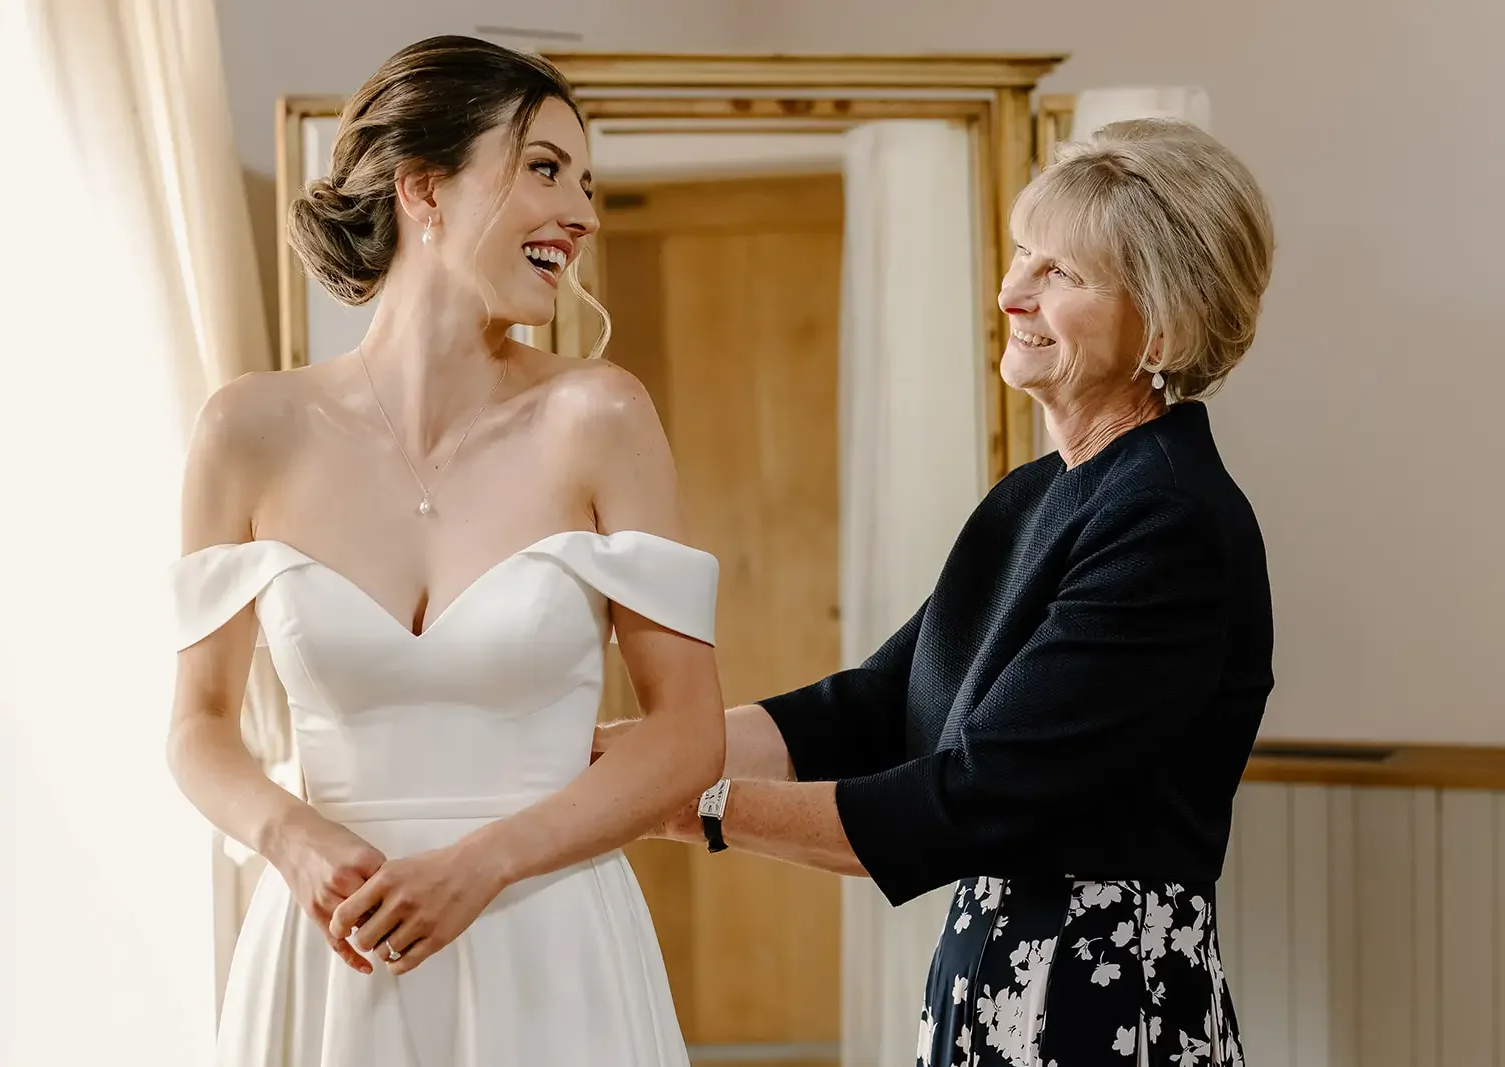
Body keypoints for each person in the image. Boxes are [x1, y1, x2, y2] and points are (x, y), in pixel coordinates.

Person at [599, 118, 1275, 1066]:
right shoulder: (1039, 495)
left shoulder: (1170, 519)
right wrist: (652, 749)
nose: (1011, 292)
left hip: (1096, 1004)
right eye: (1022, 256)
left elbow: (975, 797)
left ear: (1162, 323)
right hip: (998, 975)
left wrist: (690, 802)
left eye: (1061, 274)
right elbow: (880, 703)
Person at [166, 36, 725, 1066]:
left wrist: (486, 862)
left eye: (587, 182)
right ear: (426, 189)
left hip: (549, 940)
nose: (583, 214)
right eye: (545, 168)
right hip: (333, 940)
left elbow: (687, 734)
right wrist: (293, 837)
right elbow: (198, 726)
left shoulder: (599, 414)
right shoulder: (246, 429)